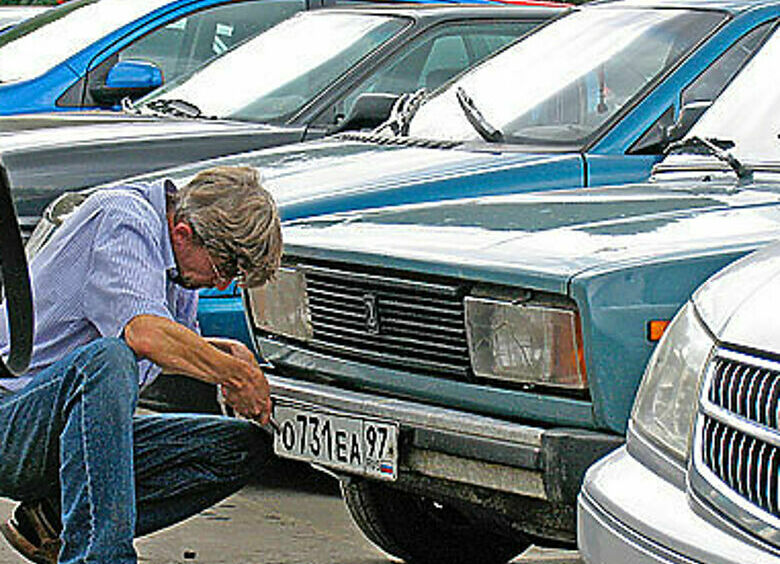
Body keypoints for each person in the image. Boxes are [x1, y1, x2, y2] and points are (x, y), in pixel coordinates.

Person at [0, 165, 283, 564]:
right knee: (107, 359)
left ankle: (54, 522)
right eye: (225, 269)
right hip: (11, 416)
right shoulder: (124, 219)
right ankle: (100, 557)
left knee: (240, 446)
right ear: (184, 232)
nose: (222, 285)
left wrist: (225, 352)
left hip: (68, 428)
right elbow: (143, 336)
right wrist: (235, 374)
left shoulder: (178, 263)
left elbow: (162, 338)